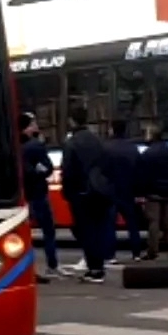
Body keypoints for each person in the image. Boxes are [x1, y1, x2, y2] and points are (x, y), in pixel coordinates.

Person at [60, 107, 113, 283]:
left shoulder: (71, 143)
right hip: (100, 190)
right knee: (98, 229)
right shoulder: (98, 140)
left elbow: (67, 171)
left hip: (81, 192)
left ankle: (94, 269)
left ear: (72, 121)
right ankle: (99, 266)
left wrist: (67, 192)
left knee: (86, 230)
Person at [19, 112, 60, 283]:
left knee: (25, 234)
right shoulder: (35, 146)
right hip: (38, 193)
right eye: (33, 123)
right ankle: (52, 264)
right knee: (48, 231)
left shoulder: (16, 145)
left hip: (24, 195)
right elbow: (48, 169)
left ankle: (27, 268)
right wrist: (40, 171)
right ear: (27, 128)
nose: (36, 126)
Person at [136, 124, 168, 261]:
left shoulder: (147, 154)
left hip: (153, 193)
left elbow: (143, 176)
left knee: (153, 222)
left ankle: (152, 250)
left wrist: (143, 191)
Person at [103, 120, 143, 264]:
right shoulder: (132, 148)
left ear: (112, 130)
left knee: (109, 224)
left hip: (111, 191)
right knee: (132, 224)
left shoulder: (105, 148)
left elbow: (102, 170)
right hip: (128, 191)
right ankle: (136, 253)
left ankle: (110, 255)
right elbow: (139, 172)